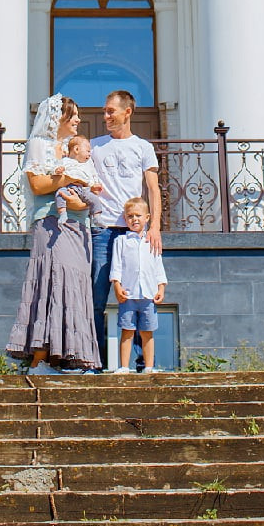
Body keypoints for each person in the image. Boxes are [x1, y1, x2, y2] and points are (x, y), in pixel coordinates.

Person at [6, 95, 101, 375]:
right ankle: (40, 359)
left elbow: (91, 187)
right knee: (52, 281)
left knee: (75, 284)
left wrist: (82, 202)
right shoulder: (40, 145)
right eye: (74, 115)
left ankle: (68, 357)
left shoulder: (75, 150)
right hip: (52, 225)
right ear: (59, 117)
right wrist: (69, 180)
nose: (78, 120)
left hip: (80, 226)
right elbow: (36, 185)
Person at [88, 89, 162, 368]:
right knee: (97, 297)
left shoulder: (142, 147)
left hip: (135, 233)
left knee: (141, 295)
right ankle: (93, 361)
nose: (105, 116)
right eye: (105, 111)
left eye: (111, 111)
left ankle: (144, 364)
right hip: (103, 231)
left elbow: (153, 189)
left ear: (127, 112)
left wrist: (154, 227)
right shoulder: (95, 146)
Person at [110, 197, 167, 373]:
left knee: (147, 332)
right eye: (130, 216)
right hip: (128, 293)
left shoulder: (152, 241)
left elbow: (158, 265)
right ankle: (124, 366)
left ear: (147, 217)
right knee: (127, 331)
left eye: (138, 215)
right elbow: (116, 265)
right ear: (125, 219)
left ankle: (149, 366)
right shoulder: (121, 241)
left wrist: (161, 287)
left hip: (148, 294)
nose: (134, 219)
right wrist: (117, 286)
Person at [55, 135, 103, 229]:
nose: (90, 154)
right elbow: (58, 169)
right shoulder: (66, 161)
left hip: (84, 188)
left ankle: (97, 216)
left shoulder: (88, 164)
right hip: (68, 187)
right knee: (59, 194)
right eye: (88, 151)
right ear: (76, 149)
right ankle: (63, 213)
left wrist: (94, 185)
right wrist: (58, 170)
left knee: (95, 199)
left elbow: (92, 176)